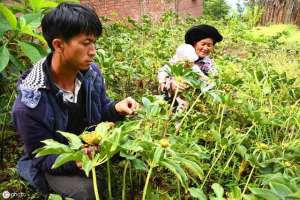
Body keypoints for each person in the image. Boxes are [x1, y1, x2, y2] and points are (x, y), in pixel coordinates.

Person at [12, 3, 138, 199]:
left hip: (89, 145)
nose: (93, 51)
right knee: (84, 191)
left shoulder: (91, 74)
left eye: (94, 42)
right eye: (86, 43)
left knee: (132, 147)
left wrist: (116, 108)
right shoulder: (30, 103)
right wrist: (76, 161)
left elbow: (100, 113)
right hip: (56, 160)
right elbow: (42, 156)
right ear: (58, 45)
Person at [157, 24, 223, 111]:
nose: (205, 48)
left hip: (195, 100)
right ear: (195, 43)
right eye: (203, 44)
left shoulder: (209, 64)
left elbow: (214, 83)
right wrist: (169, 83)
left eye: (209, 45)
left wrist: (199, 76)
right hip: (172, 96)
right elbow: (164, 71)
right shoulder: (182, 57)